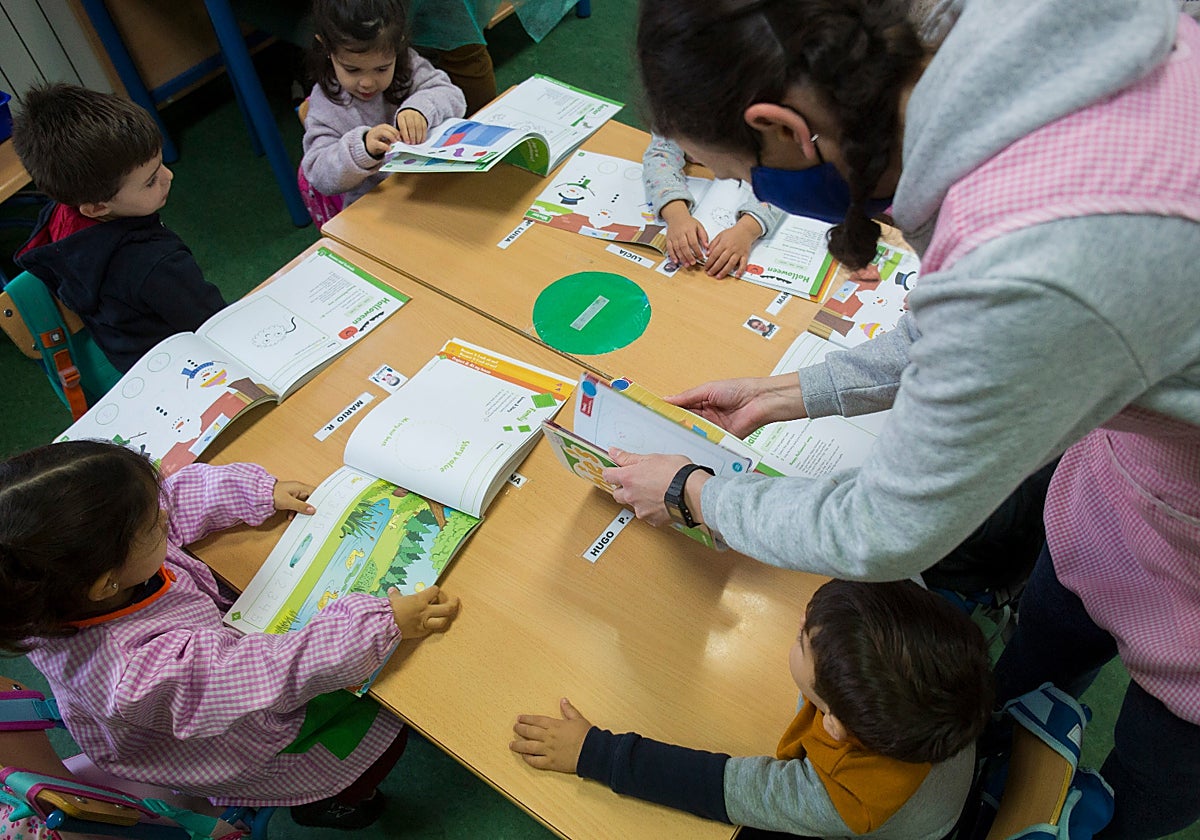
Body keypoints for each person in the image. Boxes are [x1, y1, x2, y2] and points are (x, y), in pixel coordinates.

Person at [609, 1, 1200, 836]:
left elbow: (886, 525)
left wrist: (695, 494)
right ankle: (1005, 748)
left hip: (1187, 557)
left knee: (1149, 782)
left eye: (740, 173)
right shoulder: (990, 58)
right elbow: (959, 321)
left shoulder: (1044, 259)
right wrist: (790, 392)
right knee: (1037, 658)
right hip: (1130, 484)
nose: (747, 192)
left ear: (781, 128)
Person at [0, 440, 460, 830]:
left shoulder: (61, 584)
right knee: (385, 734)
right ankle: (331, 803)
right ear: (106, 583)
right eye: (151, 525)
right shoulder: (142, 674)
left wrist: (257, 492)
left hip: (210, 685)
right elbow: (270, 671)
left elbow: (173, 501)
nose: (164, 516)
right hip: (232, 747)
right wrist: (382, 622)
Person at [511, 579, 992, 838]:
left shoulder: (840, 802)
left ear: (834, 723)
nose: (802, 618)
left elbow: (720, 787)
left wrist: (595, 753)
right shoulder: (920, 643)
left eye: (804, 639)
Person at [11, 84, 226, 374]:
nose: (169, 176)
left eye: (161, 163)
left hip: (132, 368)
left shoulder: (60, 216)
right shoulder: (154, 262)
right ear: (97, 208)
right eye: (150, 181)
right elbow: (216, 325)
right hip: (190, 372)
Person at [300, 0, 466, 223]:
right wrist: (362, 149)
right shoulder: (328, 102)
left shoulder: (409, 66)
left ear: (399, 45)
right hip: (376, 210)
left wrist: (420, 109)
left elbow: (453, 96)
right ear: (327, 49)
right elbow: (319, 174)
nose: (367, 83)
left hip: (431, 187)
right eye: (352, 69)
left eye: (382, 68)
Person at [644, 134, 783, 276]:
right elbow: (660, 155)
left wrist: (748, 228)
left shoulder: (770, 126)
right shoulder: (674, 116)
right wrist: (676, 214)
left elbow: (781, 172)